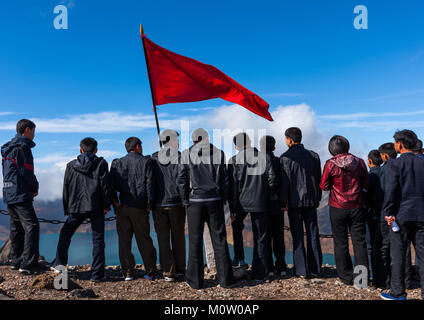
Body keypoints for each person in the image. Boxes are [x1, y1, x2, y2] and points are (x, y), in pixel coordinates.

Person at [177, 128, 234, 289]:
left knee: (195, 241)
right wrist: (222, 198)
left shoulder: (186, 154)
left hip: (194, 201)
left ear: (193, 140)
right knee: (220, 239)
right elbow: (225, 179)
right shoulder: (219, 153)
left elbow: (181, 179)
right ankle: (226, 280)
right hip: (215, 200)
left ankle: (195, 282)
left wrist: (185, 200)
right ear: (207, 139)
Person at [51, 138, 112, 282]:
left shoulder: (70, 165)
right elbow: (105, 186)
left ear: (80, 150)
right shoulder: (101, 163)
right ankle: (97, 275)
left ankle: (59, 266)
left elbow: (66, 186)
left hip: (76, 206)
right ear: (96, 150)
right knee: (98, 240)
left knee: (65, 234)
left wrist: (67, 207)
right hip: (96, 207)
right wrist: (106, 205)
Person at [320, 135, 369, 286]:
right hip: (357, 206)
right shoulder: (360, 162)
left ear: (332, 149)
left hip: (337, 207)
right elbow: (366, 183)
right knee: (360, 242)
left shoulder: (330, 164)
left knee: (340, 242)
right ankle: (361, 280)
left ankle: (346, 277)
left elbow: (324, 186)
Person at [381, 130, 424, 300]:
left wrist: (388, 212)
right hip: (422, 215)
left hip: (401, 216)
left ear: (400, 144)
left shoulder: (394, 165)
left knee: (398, 255)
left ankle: (398, 293)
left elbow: (391, 191)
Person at [228, 132, 277, 281]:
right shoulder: (264, 157)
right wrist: (264, 194)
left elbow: (233, 186)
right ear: (249, 142)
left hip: (241, 203)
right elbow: (272, 179)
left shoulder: (234, 160)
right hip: (260, 202)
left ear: (236, 146)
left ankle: (240, 260)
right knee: (261, 237)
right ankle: (259, 272)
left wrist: (233, 208)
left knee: (237, 229)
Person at [110, 137, 158, 281]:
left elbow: (110, 185)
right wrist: (150, 203)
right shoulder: (146, 162)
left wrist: (115, 203)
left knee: (124, 240)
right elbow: (150, 183)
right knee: (144, 239)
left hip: (122, 207)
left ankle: (128, 272)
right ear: (137, 147)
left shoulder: (117, 163)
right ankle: (150, 271)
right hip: (139, 207)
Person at [280, 127, 323, 278]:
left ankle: (301, 270)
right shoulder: (314, 156)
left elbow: (285, 183)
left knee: (297, 235)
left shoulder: (285, 158)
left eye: (286, 139)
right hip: (311, 201)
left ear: (289, 140)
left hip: (294, 203)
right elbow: (319, 179)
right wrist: (318, 198)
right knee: (313, 233)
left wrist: (283, 201)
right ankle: (316, 268)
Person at [1, 119, 40, 275]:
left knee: (16, 227)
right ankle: (28, 264)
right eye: (33, 131)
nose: (34, 134)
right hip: (20, 192)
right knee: (32, 226)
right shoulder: (23, 148)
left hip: (8, 192)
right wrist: (34, 187)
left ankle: (16, 261)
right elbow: (26, 171)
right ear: (27, 130)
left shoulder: (8, 149)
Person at [151, 130, 186, 282]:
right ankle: (180, 269)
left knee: (162, 238)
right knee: (178, 237)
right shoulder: (181, 157)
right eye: (176, 139)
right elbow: (183, 179)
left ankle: (167, 271)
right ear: (171, 141)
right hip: (177, 203)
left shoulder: (152, 158)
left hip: (158, 204)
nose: (178, 142)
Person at [259, 135, 287, 277]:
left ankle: (268, 268)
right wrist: (283, 202)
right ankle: (281, 266)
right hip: (277, 205)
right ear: (274, 147)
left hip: (262, 205)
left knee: (265, 236)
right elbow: (283, 184)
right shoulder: (279, 161)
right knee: (278, 236)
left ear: (260, 147)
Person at [365, 149, 384, 284]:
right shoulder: (387, 173)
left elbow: (365, 197)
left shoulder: (369, 177)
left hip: (371, 215)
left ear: (369, 161)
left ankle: (374, 276)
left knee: (371, 245)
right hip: (385, 215)